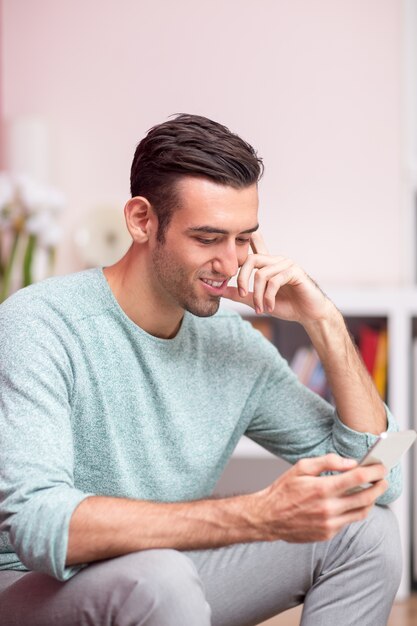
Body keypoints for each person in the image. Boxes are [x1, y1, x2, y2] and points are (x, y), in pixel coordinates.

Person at [0, 114, 402, 626]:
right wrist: (254, 515)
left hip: (166, 577)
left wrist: (321, 318)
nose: (231, 263)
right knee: (159, 577)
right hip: (36, 589)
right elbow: (38, 525)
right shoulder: (40, 324)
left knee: (367, 532)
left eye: (244, 239)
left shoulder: (232, 344)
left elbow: (377, 481)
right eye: (208, 238)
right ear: (142, 220)